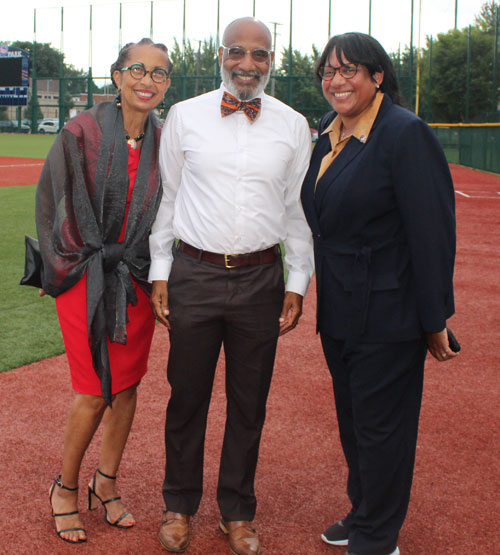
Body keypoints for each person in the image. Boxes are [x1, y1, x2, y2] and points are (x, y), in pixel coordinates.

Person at [149, 17, 314, 555]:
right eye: (238, 53)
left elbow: (297, 213)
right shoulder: (184, 116)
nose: (248, 65)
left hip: (262, 280)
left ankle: (238, 511)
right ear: (222, 55)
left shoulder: (293, 124)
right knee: (186, 398)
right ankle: (178, 505)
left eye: (259, 55)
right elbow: (168, 199)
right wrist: (159, 271)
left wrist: (297, 280)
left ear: (272, 60)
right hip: (194, 275)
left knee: (250, 403)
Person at [300, 32, 457, 555]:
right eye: (328, 71)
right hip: (342, 309)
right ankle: (365, 511)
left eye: (349, 70)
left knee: (382, 429)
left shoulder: (404, 133)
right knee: (354, 423)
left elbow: (431, 232)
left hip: (390, 314)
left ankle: (378, 535)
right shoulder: (330, 129)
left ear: (377, 76)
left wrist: (433, 319)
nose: (336, 80)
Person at [37, 38, 172, 544]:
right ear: (116, 77)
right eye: (137, 69)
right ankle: (65, 487)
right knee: (94, 391)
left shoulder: (164, 138)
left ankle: (106, 481)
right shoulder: (81, 131)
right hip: (86, 275)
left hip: (135, 276)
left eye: (160, 74)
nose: (147, 80)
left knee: (129, 386)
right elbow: (52, 200)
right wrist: (71, 263)